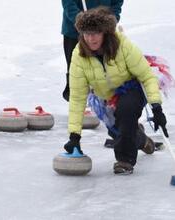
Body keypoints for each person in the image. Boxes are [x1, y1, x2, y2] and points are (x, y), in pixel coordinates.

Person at [63, 6, 168, 174]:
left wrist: (156, 107)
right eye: (87, 34)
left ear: (105, 32)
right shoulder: (79, 55)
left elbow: (147, 76)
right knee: (121, 132)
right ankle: (142, 140)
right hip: (106, 97)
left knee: (126, 111)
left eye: (96, 33)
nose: (91, 38)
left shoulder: (121, 45)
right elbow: (77, 97)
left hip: (131, 88)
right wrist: (74, 136)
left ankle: (124, 161)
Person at [61, 0, 124, 101]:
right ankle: (77, 100)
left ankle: (103, 100)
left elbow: (117, 3)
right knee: (76, 70)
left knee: (102, 68)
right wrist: (80, 21)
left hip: (103, 30)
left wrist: (112, 19)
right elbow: (68, 3)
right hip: (74, 32)